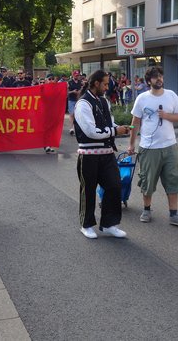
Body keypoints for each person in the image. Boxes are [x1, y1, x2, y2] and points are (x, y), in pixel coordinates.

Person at [128, 66, 178, 227]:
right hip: (149, 148)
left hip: (170, 146)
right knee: (147, 181)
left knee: (174, 179)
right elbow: (135, 122)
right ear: (149, 81)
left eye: (160, 76)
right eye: (155, 77)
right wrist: (131, 144)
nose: (159, 79)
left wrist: (167, 116)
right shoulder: (142, 98)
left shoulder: (171, 96)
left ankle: (174, 215)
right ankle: (147, 210)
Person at [74, 70, 130, 239]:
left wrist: (121, 128)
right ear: (96, 83)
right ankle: (86, 224)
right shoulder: (83, 104)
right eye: (105, 84)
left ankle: (109, 224)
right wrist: (114, 131)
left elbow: (110, 123)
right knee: (88, 190)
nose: (107, 87)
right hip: (88, 154)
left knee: (114, 185)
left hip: (106, 154)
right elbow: (90, 131)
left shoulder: (104, 101)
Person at [67, 70, 83, 135]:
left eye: (78, 75)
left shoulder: (80, 82)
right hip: (71, 99)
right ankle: (71, 128)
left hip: (78, 100)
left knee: (78, 114)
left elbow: (82, 89)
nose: (77, 76)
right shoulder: (69, 82)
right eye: (76, 75)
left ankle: (77, 128)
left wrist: (80, 91)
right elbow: (67, 92)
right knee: (72, 114)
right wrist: (72, 91)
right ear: (73, 75)